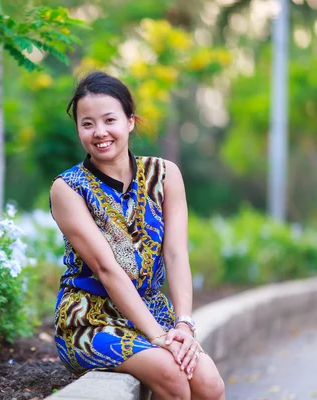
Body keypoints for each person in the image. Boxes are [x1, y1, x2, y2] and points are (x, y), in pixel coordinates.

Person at [49, 71, 225, 399]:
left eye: (109, 120)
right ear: (78, 130)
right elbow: (106, 269)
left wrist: (183, 324)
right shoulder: (68, 188)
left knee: (210, 385)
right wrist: (158, 337)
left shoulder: (165, 174)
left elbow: (175, 254)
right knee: (172, 375)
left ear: (130, 121)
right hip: (89, 319)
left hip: (152, 309)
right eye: (87, 124)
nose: (99, 132)